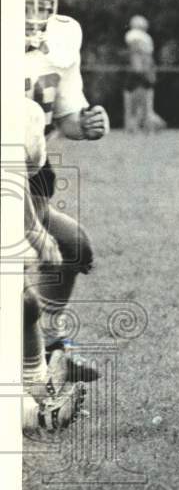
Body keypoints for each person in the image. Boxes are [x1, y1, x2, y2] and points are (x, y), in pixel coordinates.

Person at [25, 0, 108, 384]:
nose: (30, 17)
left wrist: (85, 125)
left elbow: (66, 117)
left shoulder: (60, 38)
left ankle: (50, 346)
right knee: (21, 278)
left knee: (73, 247)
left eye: (39, 6)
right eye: (20, 6)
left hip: (32, 169)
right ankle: (32, 367)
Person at [21, 95, 86, 434]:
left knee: (25, 304)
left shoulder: (25, 115)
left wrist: (36, 232)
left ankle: (39, 386)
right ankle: (36, 413)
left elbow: (16, 183)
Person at [123, 15, 164, 133]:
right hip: (146, 70)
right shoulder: (147, 38)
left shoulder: (133, 36)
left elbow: (136, 51)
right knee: (145, 103)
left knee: (133, 103)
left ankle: (137, 125)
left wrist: (139, 67)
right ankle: (149, 124)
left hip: (139, 71)